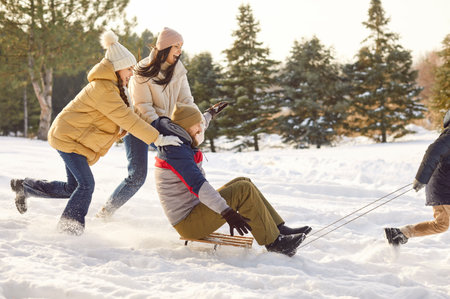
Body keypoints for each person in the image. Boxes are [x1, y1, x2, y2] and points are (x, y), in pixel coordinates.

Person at [10, 31, 181, 235]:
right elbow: (128, 119)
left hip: (76, 140)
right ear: (117, 68)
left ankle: (25, 187)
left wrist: (156, 132)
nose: (131, 74)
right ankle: (69, 230)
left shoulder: (115, 87)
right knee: (86, 185)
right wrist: (158, 138)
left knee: (72, 187)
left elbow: (130, 116)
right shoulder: (103, 89)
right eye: (128, 69)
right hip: (67, 138)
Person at [152, 102, 312, 257]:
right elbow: (198, 186)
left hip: (194, 211)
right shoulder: (176, 153)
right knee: (243, 189)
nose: (201, 129)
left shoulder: (179, 137)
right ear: (186, 127)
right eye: (197, 125)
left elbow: (199, 123)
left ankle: (279, 229)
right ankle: (276, 243)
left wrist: (210, 114)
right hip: (188, 222)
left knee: (244, 181)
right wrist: (226, 211)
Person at [97, 27, 203, 217]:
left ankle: (198, 211)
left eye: (181, 47)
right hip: (138, 126)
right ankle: (106, 212)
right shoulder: (142, 71)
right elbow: (143, 106)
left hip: (165, 126)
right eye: (176, 46)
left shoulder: (178, 71)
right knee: (137, 176)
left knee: (188, 162)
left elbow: (186, 101)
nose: (179, 51)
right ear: (164, 47)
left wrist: (198, 121)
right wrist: (162, 127)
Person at [385, 109, 450, 246]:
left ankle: (401, 233)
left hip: (442, 185)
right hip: (443, 185)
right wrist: (421, 178)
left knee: (441, 224)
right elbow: (433, 152)